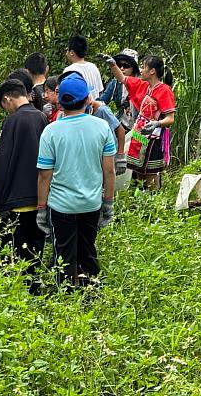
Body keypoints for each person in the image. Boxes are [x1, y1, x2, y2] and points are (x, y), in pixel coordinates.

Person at [36, 73, 116, 288]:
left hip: (60, 206)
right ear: (87, 98)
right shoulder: (101, 128)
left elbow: (45, 175)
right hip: (91, 204)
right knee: (87, 250)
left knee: (62, 254)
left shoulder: (51, 132)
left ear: (61, 101)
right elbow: (109, 171)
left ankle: (65, 296)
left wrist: (41, 208)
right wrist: (108, 202)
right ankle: (91, 293)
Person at [0, 79, 49, 292]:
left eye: (3, 106)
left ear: (7, 99)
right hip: (40, 198)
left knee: (16, 251)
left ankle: (19, 292)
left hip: (17, 201)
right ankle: (34, 287)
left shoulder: (13, 121)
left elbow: (3, 163)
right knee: (35, 251)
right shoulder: (42, 117)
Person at [100, 53, 175, 189]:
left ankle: (154, 201)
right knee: (138, 172)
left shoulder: (164, 91)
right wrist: (113, 65)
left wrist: (157, 123)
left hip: (154, 139)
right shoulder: (143, 85)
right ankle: (141, 200)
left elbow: (170, 118)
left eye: (143, 67)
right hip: (138, 135)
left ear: (152, 71)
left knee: (151, 174)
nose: (140, 70)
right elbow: (122, 78)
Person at [58, 71, 127, 175]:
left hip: (106, 155)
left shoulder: (101, 111)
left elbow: (120, 130)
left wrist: (120, 156)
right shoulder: (67, 115)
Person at [99, 49, 139, 130]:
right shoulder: (115, 83)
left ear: (133, 68)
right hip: (122, 124)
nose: (121, 68)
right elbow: (102, 101)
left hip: (140, 128)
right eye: (119, 65)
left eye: (126, 65)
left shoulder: (142, 84)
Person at [64, 35, 104, 100]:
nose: (66, 53)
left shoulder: (69, 70)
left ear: (71, 52)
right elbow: (100, 91)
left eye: (67, 50)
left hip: (79, 109)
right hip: (95, 107)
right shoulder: (93, 67)